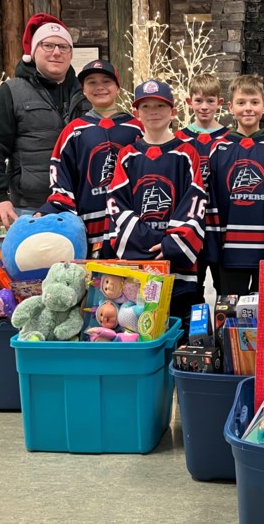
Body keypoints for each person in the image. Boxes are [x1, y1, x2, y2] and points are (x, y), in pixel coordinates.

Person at [104, 79, 207, 341]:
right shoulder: (128, 155)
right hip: (142, 257)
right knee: (141, 323)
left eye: (160, 105)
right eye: (146, 106)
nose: (153, 111)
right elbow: (116, 203)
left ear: (173, 111)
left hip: (177, 259)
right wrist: (151, 241)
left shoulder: (187, 153)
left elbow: (195, 200)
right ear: (136, 112)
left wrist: (171, 243)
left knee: (179, 325)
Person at [0, 13, 90, 231]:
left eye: (63, 47)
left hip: (80, 206)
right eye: (47, 45)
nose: (56, 52)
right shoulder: (11, 92)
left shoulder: (86, 94)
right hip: (30, 207)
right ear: (33, 52)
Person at [36, 60, 143, 257]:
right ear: (83, 90)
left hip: (131, 226)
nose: (99, 87)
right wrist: (54, 207)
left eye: (106, 81)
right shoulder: (73, 131)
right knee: (96, 285)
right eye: (92, 82)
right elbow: (61, 176)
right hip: (90, 228)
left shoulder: (137, 128)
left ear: (118, 87)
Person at [204, 74, 264, 296]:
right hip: (228, 252)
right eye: (241, 102)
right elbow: (210, 203)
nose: (248, 108)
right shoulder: (218, 149)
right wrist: (213, 249)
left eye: (254, 102)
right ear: (230, 107)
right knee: (229, 317)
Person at [174, 72, 231, 303]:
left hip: (220, 225)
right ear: (189, 102)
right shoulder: (179, 139)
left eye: (210, 100)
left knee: (225, 288)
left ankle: (224, 336)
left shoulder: (230, 138)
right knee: (191, 288)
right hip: (190, 225)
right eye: (198, 101)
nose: (204, 107)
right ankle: (194, 336)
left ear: (220, 103)